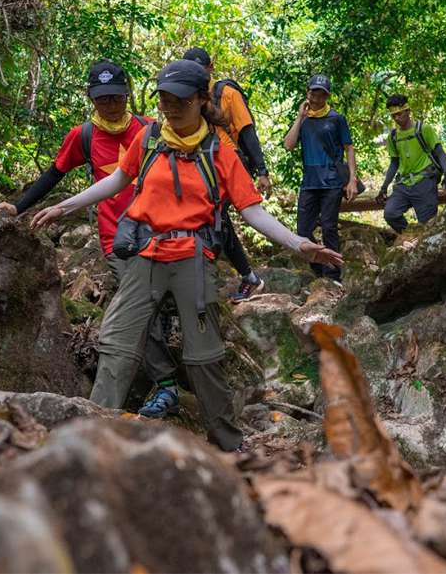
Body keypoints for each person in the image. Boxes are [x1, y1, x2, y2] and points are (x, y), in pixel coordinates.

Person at [30, 59, 342, 451]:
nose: (169, 107)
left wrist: (300, 244)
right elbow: (116, 181)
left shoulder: (220, 152)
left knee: (203, 357)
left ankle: (229, 445)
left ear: (199, 99)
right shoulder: (149, 140)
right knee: (116, 342)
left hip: (193, 256)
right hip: (146, 252)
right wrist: (65, 207)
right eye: (163, 98)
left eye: (178, 99)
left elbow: (252, 211)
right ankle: (90, 439)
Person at [0, 60, 178, 409]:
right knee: (138, 306)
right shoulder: (84, 136)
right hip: (116, 241)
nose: (110, 105)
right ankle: (166, 384)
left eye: (116, 98)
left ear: (128, 94)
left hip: (159, 235)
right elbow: (54, 173)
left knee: (155, 301)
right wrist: (18, 207)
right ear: (90, 98)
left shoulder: (150, 130)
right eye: (102, 99)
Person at [181, 46, 270, 301]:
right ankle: (248, 277)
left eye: (201, 69)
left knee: (215, 215)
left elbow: (247, 132)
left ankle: (226, 277)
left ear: (210, 69)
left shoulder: (226, 93)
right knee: (216, 217)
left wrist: (262, 170)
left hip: (230, 162)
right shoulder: (185, 97)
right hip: (203, 165)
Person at [283, 74, 357, 283]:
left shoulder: (336, 119)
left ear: (327, 95)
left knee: (329, 226)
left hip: (332, 181)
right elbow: (288, 145)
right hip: (309, 182)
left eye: (321, 93)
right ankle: (319, 268)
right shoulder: (303, 120)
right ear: (308, 93)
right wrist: (299, 117)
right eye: (314, 92)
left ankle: (333, 276)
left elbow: (349, 148)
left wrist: (352, 179)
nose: (317, 97)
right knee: (303, 230)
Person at [377, 94, 446, 233]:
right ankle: (410, 236)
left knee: (427, 227)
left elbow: (440, 153)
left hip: (425, 183)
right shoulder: (393, 136)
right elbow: (394, 163)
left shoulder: (424, 130)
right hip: (403, 184)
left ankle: (420, 242)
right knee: (390, 213)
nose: (396, 118)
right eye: (393, 115)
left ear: (408, 111)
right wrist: (384, 187)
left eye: (399, 114)